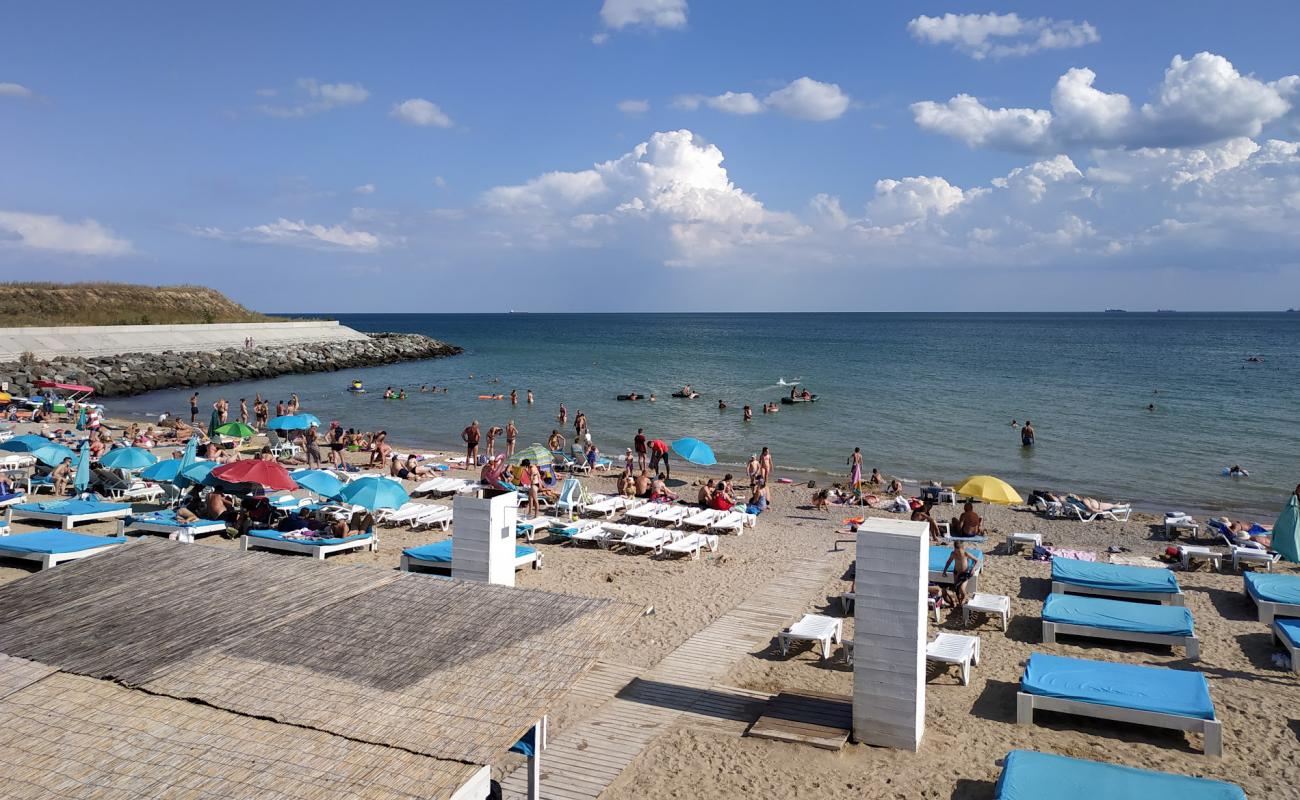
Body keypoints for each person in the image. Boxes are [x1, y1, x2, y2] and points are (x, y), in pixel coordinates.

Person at [943, 540, 978, 606]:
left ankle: (965, 598)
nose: (958, 553)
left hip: (965, 573)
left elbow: (976, 560)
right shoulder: (953, 554)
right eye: (956, 551)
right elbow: (948, 562)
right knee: (957, 589)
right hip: (956, 573)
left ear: (963, 548)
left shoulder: (966, 554)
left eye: (959, 551)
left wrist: (973, 569)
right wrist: (944, 571)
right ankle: (960, 602)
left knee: (962, 589)